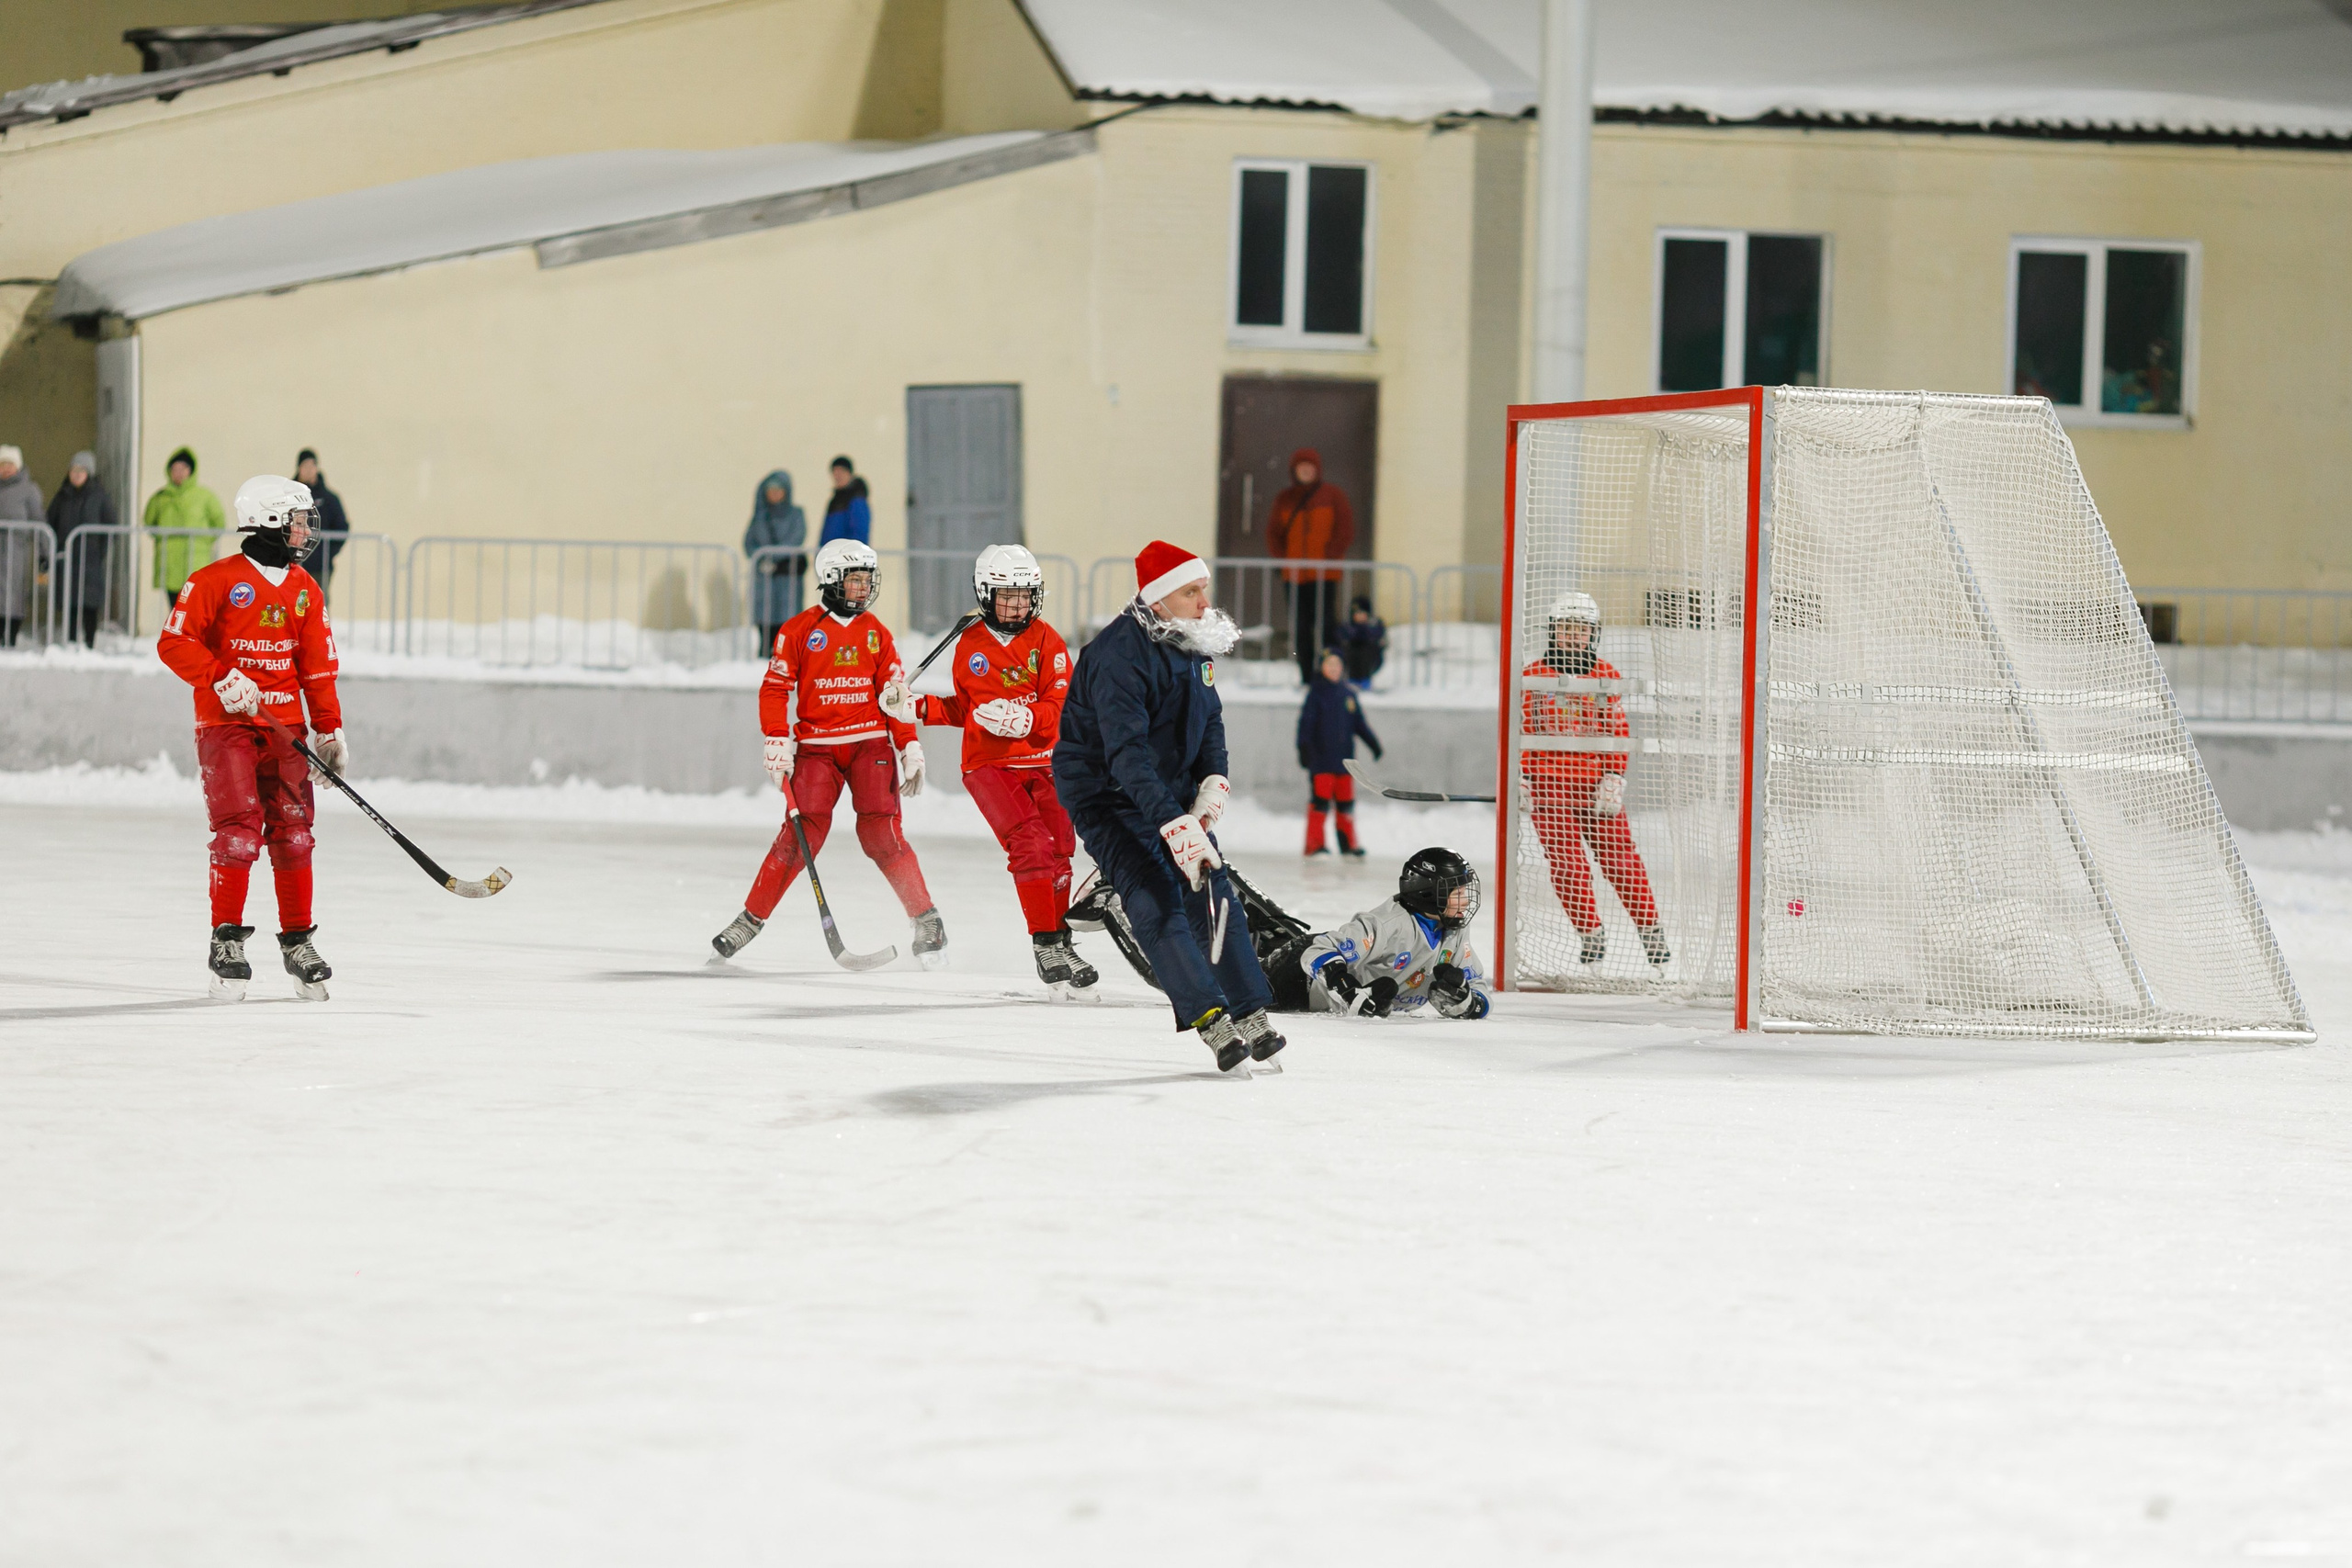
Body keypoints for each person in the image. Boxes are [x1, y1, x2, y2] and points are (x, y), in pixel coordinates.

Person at [1054, 538, 1284, 1074]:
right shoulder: (1115, 656)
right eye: (1191, 591)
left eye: (1203, 588)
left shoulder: (1191, 641)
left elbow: (1211, 720)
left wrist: (1213, 783)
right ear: (1158, 600)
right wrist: (1174, 824)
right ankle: (1211, 1018)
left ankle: (1250, 1013)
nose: (1205, 601)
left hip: (1170, 786)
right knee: (1157, 897)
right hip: (1106, 793)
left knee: (1213, 890)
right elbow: (1126, 755)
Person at [155, 475, 347, 1001]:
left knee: (294, 833)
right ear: (268, 521)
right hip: (228, 725)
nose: (307, 530)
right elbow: (173, 642)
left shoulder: (306, 589)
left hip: (287, 730)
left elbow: (316, 669)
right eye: (299, 519)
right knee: (239, 831)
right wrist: (221, 676)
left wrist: (329, 729)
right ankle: (227, 942)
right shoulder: (216, 579)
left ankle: (298, 941)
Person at [709, 538, 944, 966]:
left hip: (869, 744)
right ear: (831, 581)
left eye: (867, 580)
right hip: (817, 751)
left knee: (881, 834)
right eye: (855, 580)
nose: (863, 589)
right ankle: (750, 919)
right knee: (800, 838)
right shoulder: (799, 631)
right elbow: (775, 688)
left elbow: (894, 696)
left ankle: (927, 920)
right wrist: (776, 736)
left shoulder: (877, 633)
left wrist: (908, 743)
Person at [892, 545, 1097, 999]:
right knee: (1031, 844)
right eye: (1007, 595)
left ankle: (1062, 941)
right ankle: (1045, 943)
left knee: (1061, 846)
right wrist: (917, 706)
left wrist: (1028, 720)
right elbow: (967, 708)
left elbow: (1061, 706)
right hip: (988, 765)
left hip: (1044, 760)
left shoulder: (1049, 641)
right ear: (985, 595)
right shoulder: (971, 644)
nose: (1018, 605)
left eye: (1025, 595)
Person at [1521, 592, 1668, 969]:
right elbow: (1520, 729)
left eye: (1581, 629)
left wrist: (1614, 776)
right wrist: (1521, 777)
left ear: (1593, 634)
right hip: (1549, 786)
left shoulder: (1606, 676)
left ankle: (1651, 932)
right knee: (1569, 865)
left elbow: (1617, 730)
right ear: (1553, 632)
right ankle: (1590, 933)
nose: (1573, 636)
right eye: (1566, 628)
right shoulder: (1532, 677)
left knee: (1621, 860)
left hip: (1595, 786)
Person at [1261, 848, 1490, 1020]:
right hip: (1297, 981)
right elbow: (1318, 951)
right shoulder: (1388, 923)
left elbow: (1477, 984)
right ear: (1429, 893)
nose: (1466, 900)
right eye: (1457, 892)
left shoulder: (1454, 930)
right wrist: (1347, 990)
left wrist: (1468, 1003)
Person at [1264, 446, 1354, 684]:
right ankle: (1306, 676)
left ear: (1317, 469)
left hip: (1324, 574)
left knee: (1326, 626)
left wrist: (1329, 558)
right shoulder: (1285, 499)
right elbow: (1274, 534)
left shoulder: (1333, 496)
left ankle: (1330, 674)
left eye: (1310, 467)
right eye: (1301, 467)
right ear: (1294, 470)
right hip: (1294, 576)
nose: (1305, 471)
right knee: (1301, 628)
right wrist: (1285, 559)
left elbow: (1344, 529)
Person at [1296, 647, 1381, 857]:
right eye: (1329, 665)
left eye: (1337, 665)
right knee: (1320, 803)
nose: (1334, 669)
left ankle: (1348, 845)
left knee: (1346, 805)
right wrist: (1304, 748)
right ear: (1323, 668)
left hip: (1346, 763)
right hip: (1322, 761)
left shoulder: (1348, 694)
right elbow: (1305, 725)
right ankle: (1315, 845)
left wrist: (1373, 744)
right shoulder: (1316, 693)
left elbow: (1359, 724)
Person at [144, 446, 226, 627]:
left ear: (191, 471)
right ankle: (177, 642)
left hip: (196, 561)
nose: (179, 473)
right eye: (175, 469)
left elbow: (218, 522)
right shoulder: (160, 498)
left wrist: (203, 543)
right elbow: (149, 522)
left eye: (183, 469)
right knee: (175, 608)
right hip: (170, 561)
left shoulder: (204, 496)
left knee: (195, 606)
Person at [46, 451, 117, 646]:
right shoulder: (62, 496)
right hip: (67, 557)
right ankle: (69, 640)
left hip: (90, 558)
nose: (76, 475)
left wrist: (100, 551)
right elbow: (50, 522)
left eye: (81, 471)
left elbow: (111, 525)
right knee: (70, 601)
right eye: (73, 470)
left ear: (89, 474)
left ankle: (89, 642)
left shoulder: (100, 496)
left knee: (89, 603)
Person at [744, 468, 808, 649]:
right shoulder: (760, 516)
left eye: (779, 489)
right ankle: (764, 651)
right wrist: (761, 559)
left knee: (787, 614)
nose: (774, 494)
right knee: (765, 614)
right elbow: (749, 543)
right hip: (764, 577)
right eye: (770, 489)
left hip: (787, 574)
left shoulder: (796, 515)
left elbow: (796, 538)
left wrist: (772, 557)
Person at [0, 445, 43, 648]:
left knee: (13, 595)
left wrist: (45, 552)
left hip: (16, 552)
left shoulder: (29, 490)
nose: (6, 469)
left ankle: (11, 637)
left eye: (10, 465)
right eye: (2, 465)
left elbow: (39, 521)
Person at [292, 450, 350, 592]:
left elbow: (341, 527)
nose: (308, 470)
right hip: (293, 563)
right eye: (305, 466)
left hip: (320, 566)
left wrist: (327, 553)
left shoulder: (329, 499)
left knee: (319, 604)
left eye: (312, 466)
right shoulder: (288, 496)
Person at [819, 455, 871, 547]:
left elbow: (859, 533)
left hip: (846, 558)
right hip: (830, 556)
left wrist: (850, 554)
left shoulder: (857, 500)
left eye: (841, 472)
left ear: (849, 473)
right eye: (835, 472)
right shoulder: (835, 501)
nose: (838, 476)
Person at [1337, 593, 1386, 688]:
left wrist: (1361, 629)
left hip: (1371, 658)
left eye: (1361, 612)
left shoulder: (1374, 623)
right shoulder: (1348, 625)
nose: (1358, 616)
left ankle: (1365, 680)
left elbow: (1376, 635)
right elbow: (1342, 635)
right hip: (1352, 658)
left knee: (1365, 651)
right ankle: (1352, 679)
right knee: (1351, 651)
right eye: (1356, 613)